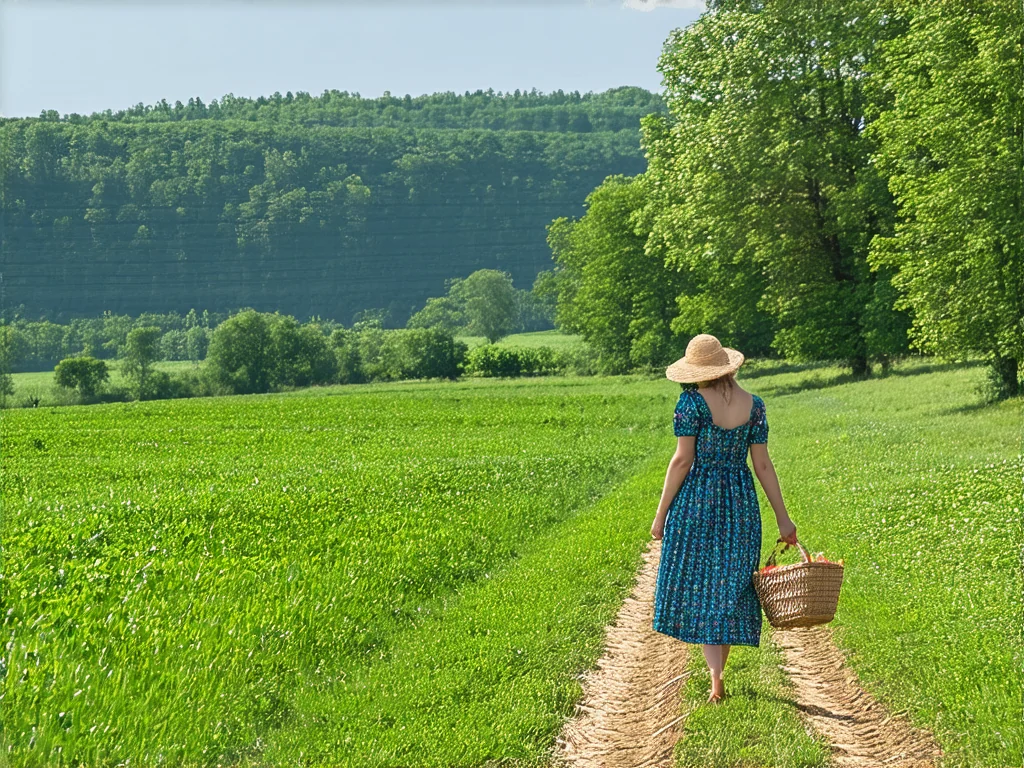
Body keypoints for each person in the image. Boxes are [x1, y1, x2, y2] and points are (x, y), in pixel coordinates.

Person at [650, 334, 797, 704]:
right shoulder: (755, 405)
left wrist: (660, 514)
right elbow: (762, 464)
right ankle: (719, 675)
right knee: (729, 588)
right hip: (739, 503)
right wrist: (784, 520)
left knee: (703, 587)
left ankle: (715, 677)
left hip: (697, 501)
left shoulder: (691, 404)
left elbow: (682, 461)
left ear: (698, 372)